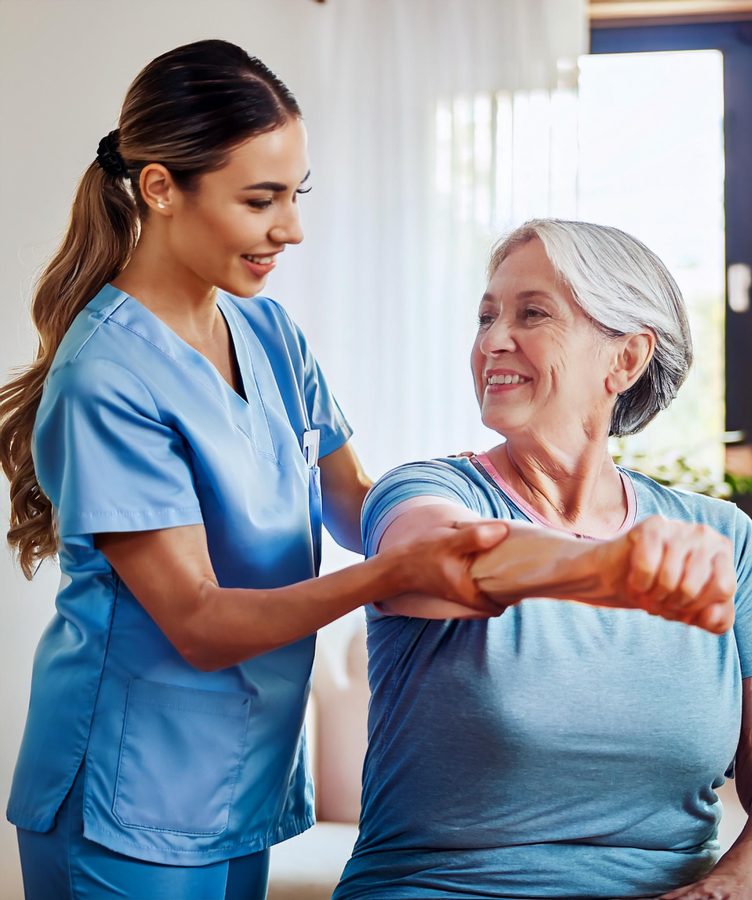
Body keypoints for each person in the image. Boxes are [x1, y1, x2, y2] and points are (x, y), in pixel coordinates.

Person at [0, 39, 522, 900]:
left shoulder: (270, 333)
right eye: (260, 199)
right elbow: (198, 622)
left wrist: (467, 504)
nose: (292, 227)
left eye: (295, 194)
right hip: (128, 795)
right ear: (161, 188)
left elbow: (350, 500)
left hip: (238, 779)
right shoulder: (106, 377)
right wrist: (392, 574)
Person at [334, 220, 752, 900]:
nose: (492, 341)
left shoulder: (719, 534)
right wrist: (611, 566)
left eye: (532, 313)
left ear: (625, 360)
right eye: (486, 317)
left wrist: (731, 887)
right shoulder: (428, 490)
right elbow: (434, 559)